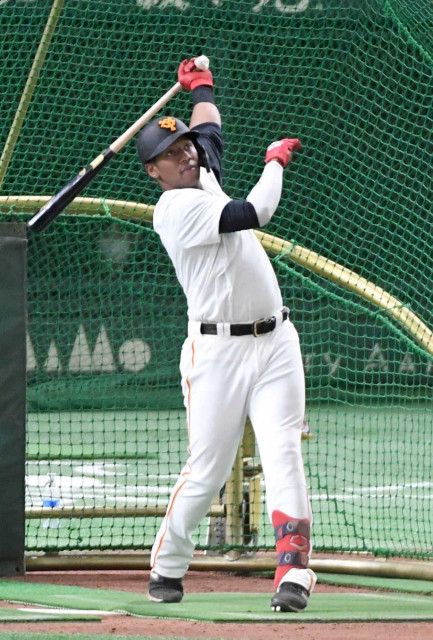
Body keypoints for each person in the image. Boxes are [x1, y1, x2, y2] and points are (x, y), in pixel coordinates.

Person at [136, 57, 316, 613]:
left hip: (276, 342)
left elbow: (208, 129)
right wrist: (274, 161)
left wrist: (201, 85)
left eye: (183, 146)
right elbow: (257, 211)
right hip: (217, 352)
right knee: (208, 468)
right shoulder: (175, 208)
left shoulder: (200, 168)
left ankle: (294, 571)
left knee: (283, 450)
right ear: (154, 171)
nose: (185, 154)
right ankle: (168, 564)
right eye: (170, 153)